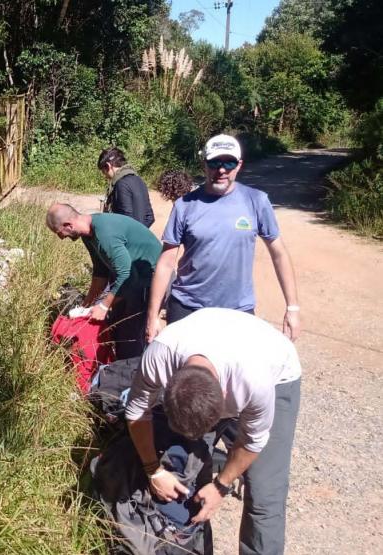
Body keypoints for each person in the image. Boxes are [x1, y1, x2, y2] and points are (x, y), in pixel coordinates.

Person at [125, 308, 301, 555]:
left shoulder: (254, 382)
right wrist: (153, 470)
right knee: (188, 468)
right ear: (168, 385)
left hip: (278, 373)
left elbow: (253, 440)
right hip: (207, 343)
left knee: (264, 493)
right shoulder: (159, 357)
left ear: (227, 398)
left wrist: (222, 485)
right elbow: (136, 413)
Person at [145, 134, 301, 343]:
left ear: (239, 165)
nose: (221, 170)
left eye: (229, 163)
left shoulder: (256, 201)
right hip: (187, 307)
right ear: (204, 165)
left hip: (238, 310)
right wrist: (152, 316)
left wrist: (292, 308)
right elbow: (165, 263)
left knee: (234, 374)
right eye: (214, 163)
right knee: (186, 374)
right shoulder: (184, 205)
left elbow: (279, 254)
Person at [46, 203, 161, 358]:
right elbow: (100, 273)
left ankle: (133, 375)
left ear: (68, 225)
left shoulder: (105, 233)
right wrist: (85, 306)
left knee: (130, 338)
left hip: (149, 281)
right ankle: (118, 371)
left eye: (59, 233)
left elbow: (126, 274)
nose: (61, 238)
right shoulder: (88, 235)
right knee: (115, 327)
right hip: (131, 281)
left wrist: (104, 305)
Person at [98, 147, 155, 228]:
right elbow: (150, 217)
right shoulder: (139, 180)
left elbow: (127, 220)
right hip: (139, 237)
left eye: (103, 172)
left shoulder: (121, 184)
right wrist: (141, 234)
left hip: (126, 239)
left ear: (108, 166)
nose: (105, 176)